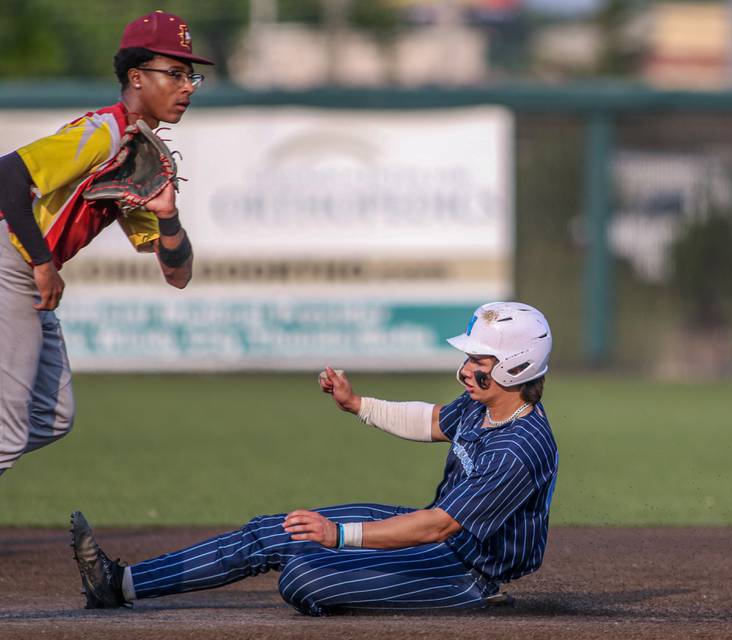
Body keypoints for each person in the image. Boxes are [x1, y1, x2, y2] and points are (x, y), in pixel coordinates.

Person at [71, 301, 559, 615]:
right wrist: (358, 405)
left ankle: (477, 599)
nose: (466, 368)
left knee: (305, 576)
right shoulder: (483, 407)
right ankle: (120, 584)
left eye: (480, 361)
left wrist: (339, 536)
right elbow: (433, 421)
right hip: (434, 539)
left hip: (465, 570)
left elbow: (439, 526)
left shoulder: (521, 446)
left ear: (518, 366)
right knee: (273, 532)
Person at [0, 11, 214, 476]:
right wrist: (41, 263)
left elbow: (177, 275)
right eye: (174, 73)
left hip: (26, 263)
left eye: (190, 75)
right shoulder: (106, 132)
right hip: (12, 256)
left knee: (51, 419)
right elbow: (7, 174)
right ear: (136, 77)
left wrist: (168, 215)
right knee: (7, 433)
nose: (188, 86)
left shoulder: (138, 153)